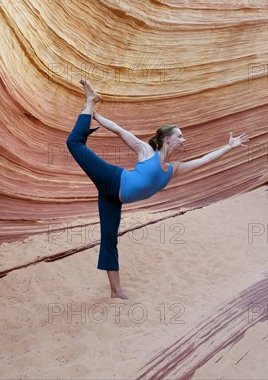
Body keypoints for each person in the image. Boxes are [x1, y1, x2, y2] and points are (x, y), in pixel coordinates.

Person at [66, 80, 249, 299]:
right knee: (74, 143)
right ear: (166, 139)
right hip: (112, 180)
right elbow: (118, 130)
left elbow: (205, 160)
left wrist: (229, 147)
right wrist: (94, 115)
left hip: (113, 199)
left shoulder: (173, 170)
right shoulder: (146, 152)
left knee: (109, 239)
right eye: (179, 136)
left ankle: (116, 291)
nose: (183, 139)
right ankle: (90, 101)